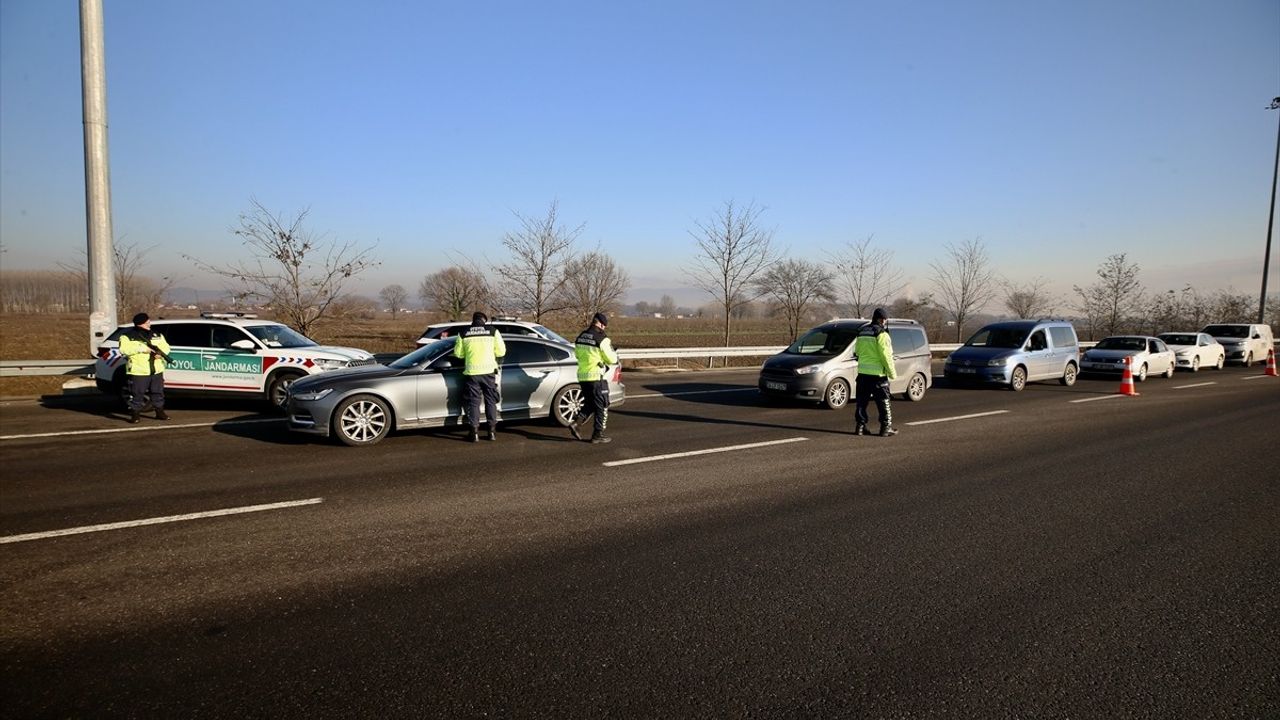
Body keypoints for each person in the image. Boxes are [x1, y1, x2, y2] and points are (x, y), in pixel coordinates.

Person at [453, 311, 505, 442]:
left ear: (473, 320)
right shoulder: (493, 331)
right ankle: (491, 432)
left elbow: (458, 354)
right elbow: (501, 352)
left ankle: (474, 433)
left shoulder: (464, 332)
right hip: (488, 373)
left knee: (474, 403)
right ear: (484, 320)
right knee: (490, 401)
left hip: (472, 374)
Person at [571, 312, 618, 444]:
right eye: (604, 326)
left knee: (590, 404)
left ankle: (576, 423)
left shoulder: (581, 337)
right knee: (602, 406)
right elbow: (612, 359)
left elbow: (578, 355)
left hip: (583, 377)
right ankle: (598, 434)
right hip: (596, 376)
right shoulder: (602, 339)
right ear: (601, 324)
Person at [118, 312, 172, 424]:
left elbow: (166, 347)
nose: (149, 323)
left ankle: (159, 412)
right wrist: (142, 348)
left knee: (158, 392)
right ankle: (135, 415)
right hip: (139, 370)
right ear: (140, 323)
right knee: (137, 393)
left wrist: (160, 354)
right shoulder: (127, 336)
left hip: (156, 369)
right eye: (147, 322)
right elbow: (124, 350)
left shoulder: (156, 334)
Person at [853, 307, 897, 437]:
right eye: (884, 319)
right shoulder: (882, 334)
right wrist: (892, 373)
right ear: (882, 320)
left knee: (861, 402)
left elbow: (857, 352)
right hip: (878, 375)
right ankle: (885, 428)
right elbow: (886, 356)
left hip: (862, 374)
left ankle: (860, 427)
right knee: (884, 402)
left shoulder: (862, 332)